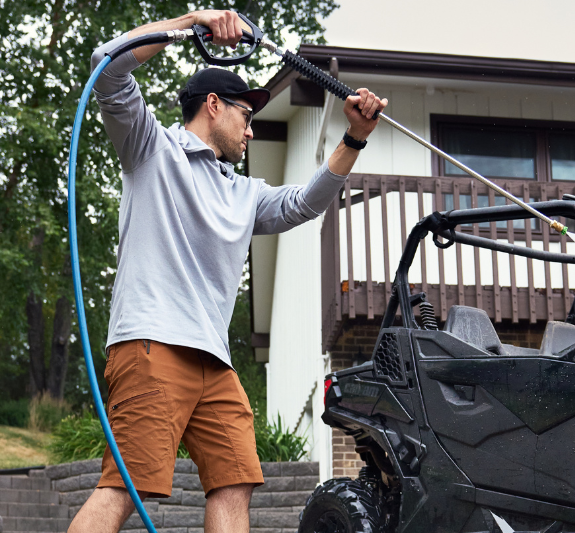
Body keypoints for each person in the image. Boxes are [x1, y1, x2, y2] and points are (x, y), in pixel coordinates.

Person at [68, 9, 387, 533]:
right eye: (246, 115)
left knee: (235, 481)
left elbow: (304, 204)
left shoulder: (243, 192)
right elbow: (107, 66)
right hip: (152, 345)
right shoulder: (151, 148)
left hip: (214, 361)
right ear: (212, 106)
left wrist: (353, 139)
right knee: (128, 485)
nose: (252, 130)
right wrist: (192, 19)